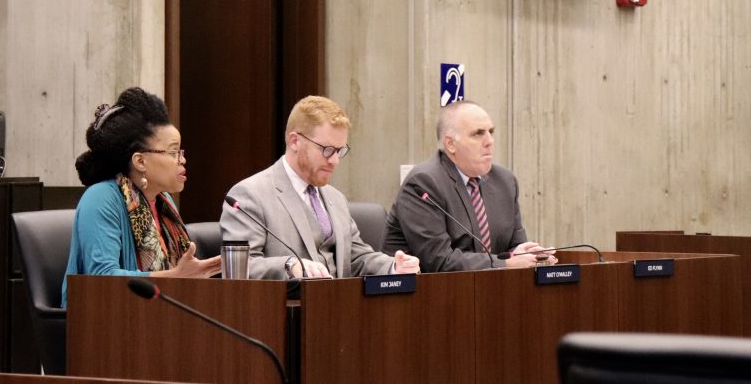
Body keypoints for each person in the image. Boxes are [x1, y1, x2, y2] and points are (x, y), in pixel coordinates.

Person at [220, 95, 420, 279]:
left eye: (340, 151)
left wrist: (394, 266)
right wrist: (289, 265)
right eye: (327, 149)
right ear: (295, 141)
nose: (334, 161)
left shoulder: (335, 197)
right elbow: (240, 270)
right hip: (285, 313)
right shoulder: (249, 195)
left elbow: (356, 258)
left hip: (338, 309)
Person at [62, 87, 221, 304]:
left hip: (155, 317)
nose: (182, 160)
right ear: (140, 161)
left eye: (181, 153)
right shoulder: (100, 198)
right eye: (173, 152)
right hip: (107, 324)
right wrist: (175, 278)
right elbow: (100, 280)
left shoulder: (164, 201)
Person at [382, 100, 555, 272]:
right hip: (428, 293)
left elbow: (514, 246)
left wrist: (525, 255)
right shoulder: (423, 184)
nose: (490, 141)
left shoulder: (505, 181)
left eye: (491, 132)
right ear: (450, 144)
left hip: (488, 290)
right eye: (478, 134)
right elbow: (439, 261)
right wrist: (506, 263)